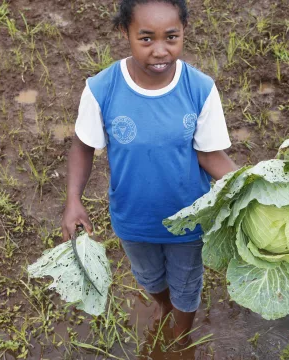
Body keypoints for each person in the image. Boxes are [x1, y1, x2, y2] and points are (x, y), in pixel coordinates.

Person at [60, 0, 237, 345]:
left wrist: (253, 187)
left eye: (171, 37)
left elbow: (211, 155)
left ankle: (181, 335)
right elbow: (83, 147)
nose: (160, 51)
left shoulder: (199, 89)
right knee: (150, 277)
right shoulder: (102, 88)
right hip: (133, 220)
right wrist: (73, 201)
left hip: (189, 220)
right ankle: (163, 304)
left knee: (187, 284)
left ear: (184, 31)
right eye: (146, 39)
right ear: (125, 33)